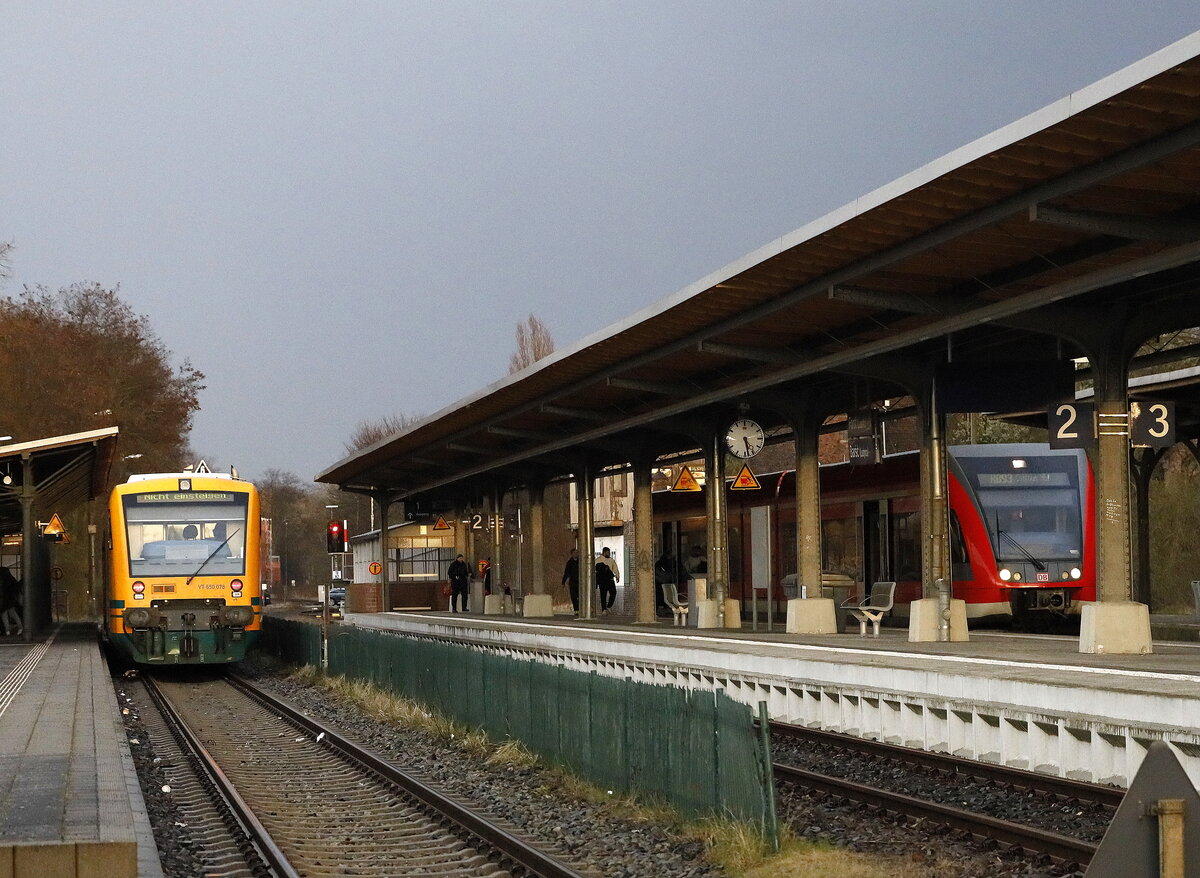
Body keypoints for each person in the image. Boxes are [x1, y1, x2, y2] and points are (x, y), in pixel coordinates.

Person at [594, 547, 619, 615]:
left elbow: (615, 568)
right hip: (602, 580)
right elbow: (594, 571)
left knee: (613, 592)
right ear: (604, 552)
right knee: (603, 595)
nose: (609, 554)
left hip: (610, 579)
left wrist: (617, 576)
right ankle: (604, 609)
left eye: (609, 552)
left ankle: (609, 606)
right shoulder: (598, 560)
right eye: (608, 552)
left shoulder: (611, 560)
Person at [1, 566, 22, 637]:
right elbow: (16, 587)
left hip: (3, 600)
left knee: (4, 614)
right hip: (10, 600)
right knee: (12, 613)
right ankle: (20, 627)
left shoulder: (2, 580)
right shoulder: (11, 579)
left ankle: (7, 630)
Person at [654, 552, 676, 617]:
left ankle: (661, 610)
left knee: (660, 596)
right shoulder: (663, 564)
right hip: (661, 583)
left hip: (661, 583)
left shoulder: (660, 563)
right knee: (660, 596)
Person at [561, 548, 580, 613]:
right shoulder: (569, 563)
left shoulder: (580, 562)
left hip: (580, 582)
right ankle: (576, 609)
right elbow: (566, 573)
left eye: (577, 552)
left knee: (580, 596)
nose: (576, 554)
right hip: (573, 582)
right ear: (572, 554)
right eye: (574, 553)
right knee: (574, 596)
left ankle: (580, 608)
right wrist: (563, 582)